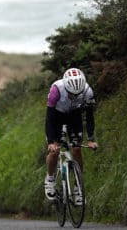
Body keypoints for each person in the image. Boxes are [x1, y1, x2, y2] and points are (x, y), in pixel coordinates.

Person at [44, 67, 98, 205]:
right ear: (66, 87)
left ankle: (78, 188)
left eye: (77, 94)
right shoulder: (56, 89)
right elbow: (49, 117)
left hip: (74, 114)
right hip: (56, 115)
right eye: (71, 94)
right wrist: (51, 141)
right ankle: (49, 179)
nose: (74, 96)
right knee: (55, 151)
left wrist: (91, 139)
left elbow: (89, 116)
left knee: (77, 149)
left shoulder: (87, 91)